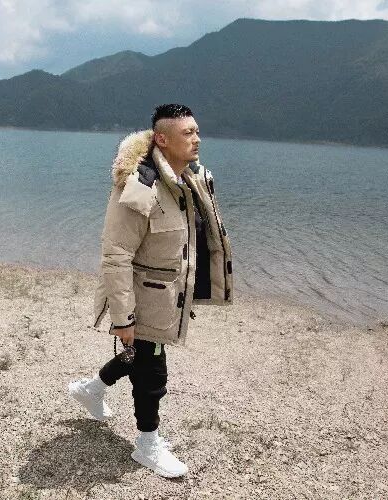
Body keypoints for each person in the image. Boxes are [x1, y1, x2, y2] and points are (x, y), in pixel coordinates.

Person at [68, 103, 233, 478]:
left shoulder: (188, 181)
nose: (197, 138)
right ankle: (147, 445)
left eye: (197, 131)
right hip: (142, 301)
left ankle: (91, 390)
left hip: (168, 299)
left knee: (140, 357)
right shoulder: (140, 186)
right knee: (153, 373)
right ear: (162, 138)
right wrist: (123, 318)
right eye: (187, 132)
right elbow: (116, 254)